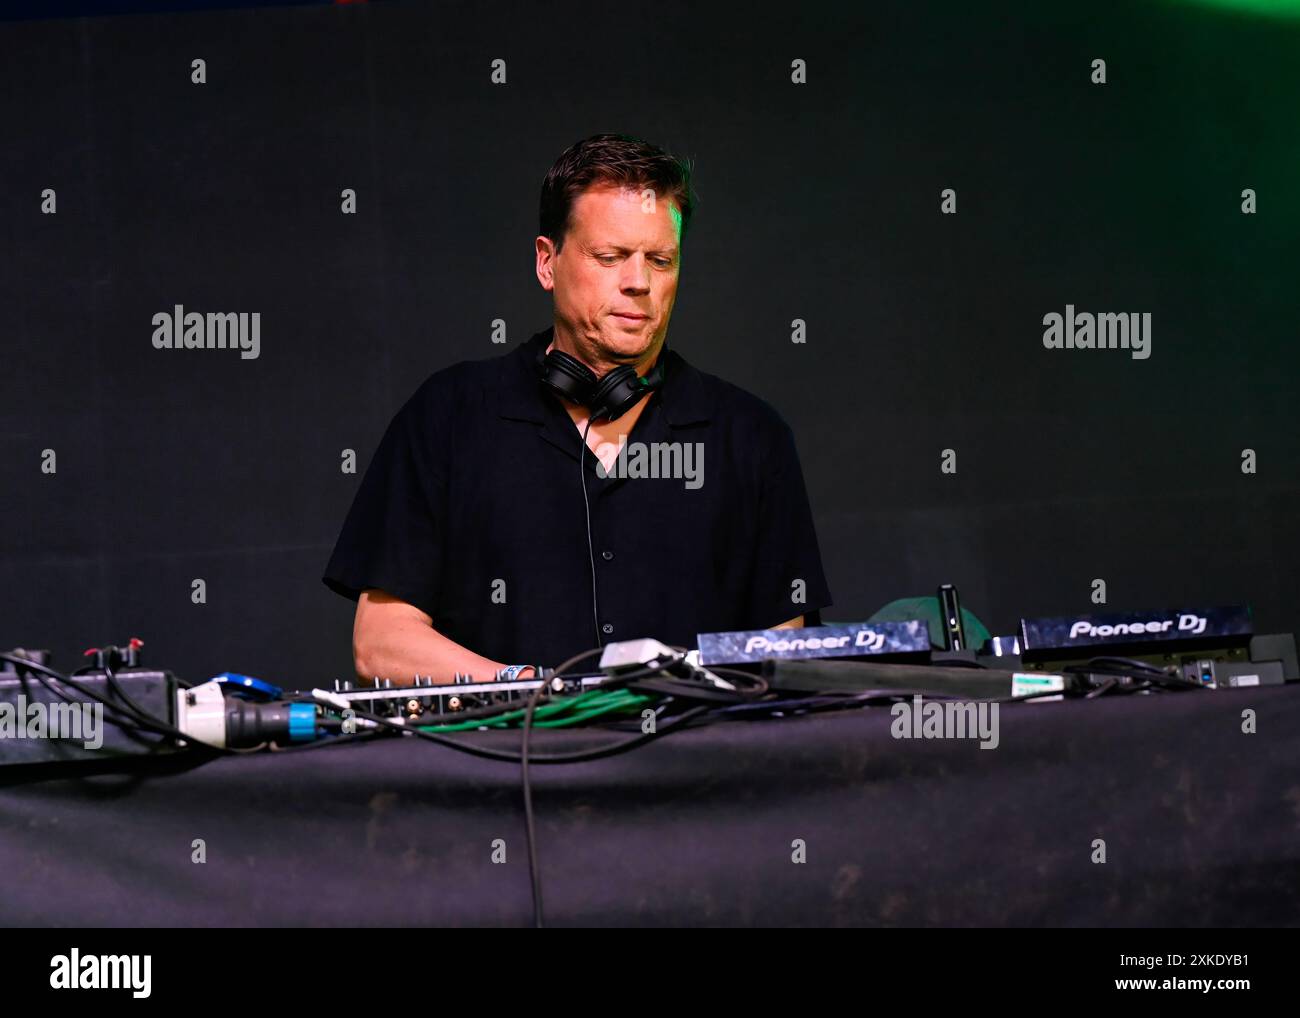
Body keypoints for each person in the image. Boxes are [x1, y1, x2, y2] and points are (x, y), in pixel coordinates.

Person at [323, 133, 832, 686]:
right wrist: (541, 693)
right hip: (507, 763)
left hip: (694, 767)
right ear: (548, 262)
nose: (639, 282)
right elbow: (382, 643)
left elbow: (787, 648)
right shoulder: (447, 417)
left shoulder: (750, 436)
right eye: (610, 257)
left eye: (660, 260)